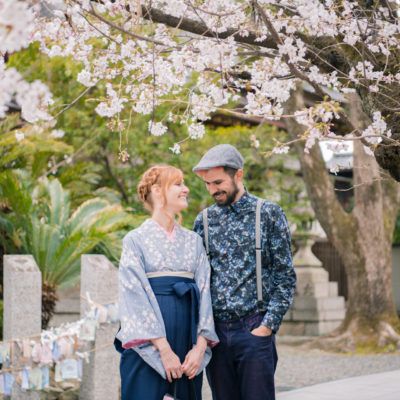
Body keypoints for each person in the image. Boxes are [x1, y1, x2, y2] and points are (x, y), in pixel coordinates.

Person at [193, 144, 296, 400]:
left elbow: (285, 276)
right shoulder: (203, 221)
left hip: (254, 327)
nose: (213, 190)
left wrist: (267, 326)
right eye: (208, 184)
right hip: (216, 333)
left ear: (238, 175)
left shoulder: (268, 213)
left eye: (218, 182)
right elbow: (199, 279)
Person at [115, 165, 219, 400]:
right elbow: (134, 298)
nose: (186, 189)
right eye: (178, 183)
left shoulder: (193, 241)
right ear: (157, 190)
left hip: (188, 341)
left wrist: (200, 347)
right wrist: (163, 349)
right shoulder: (135, 240)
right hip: (148, 344)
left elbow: (205, 293)